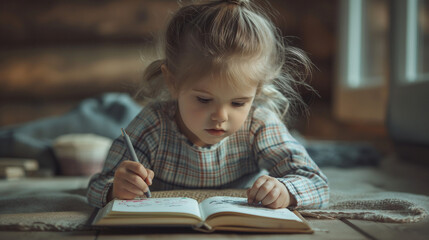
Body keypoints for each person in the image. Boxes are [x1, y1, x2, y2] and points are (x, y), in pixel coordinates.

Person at [87, 0, 329, 209]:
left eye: (238, 102)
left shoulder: (259, 123)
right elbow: (98, 185)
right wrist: (116, 189)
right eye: (203, 99)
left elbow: (316, 182)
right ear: (173, 82)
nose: (220, 116)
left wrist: (285, 191)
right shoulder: (153, 124)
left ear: (257, 92)